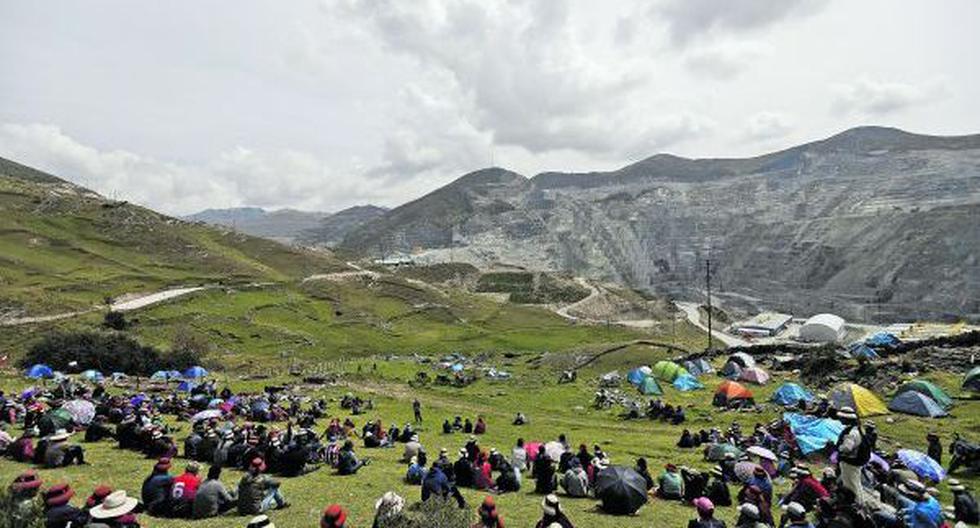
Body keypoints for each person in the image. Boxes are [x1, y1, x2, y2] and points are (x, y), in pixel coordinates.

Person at [834, 407, 868, 506]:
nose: (840, 419)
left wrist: (838, 448)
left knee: (850, 484)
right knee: (856, 482)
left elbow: (847, 448)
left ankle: (856, 503)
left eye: (841, 418)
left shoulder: (851, 433)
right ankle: (860, 501)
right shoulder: (858, 428)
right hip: (857, 461)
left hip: (850, 462)